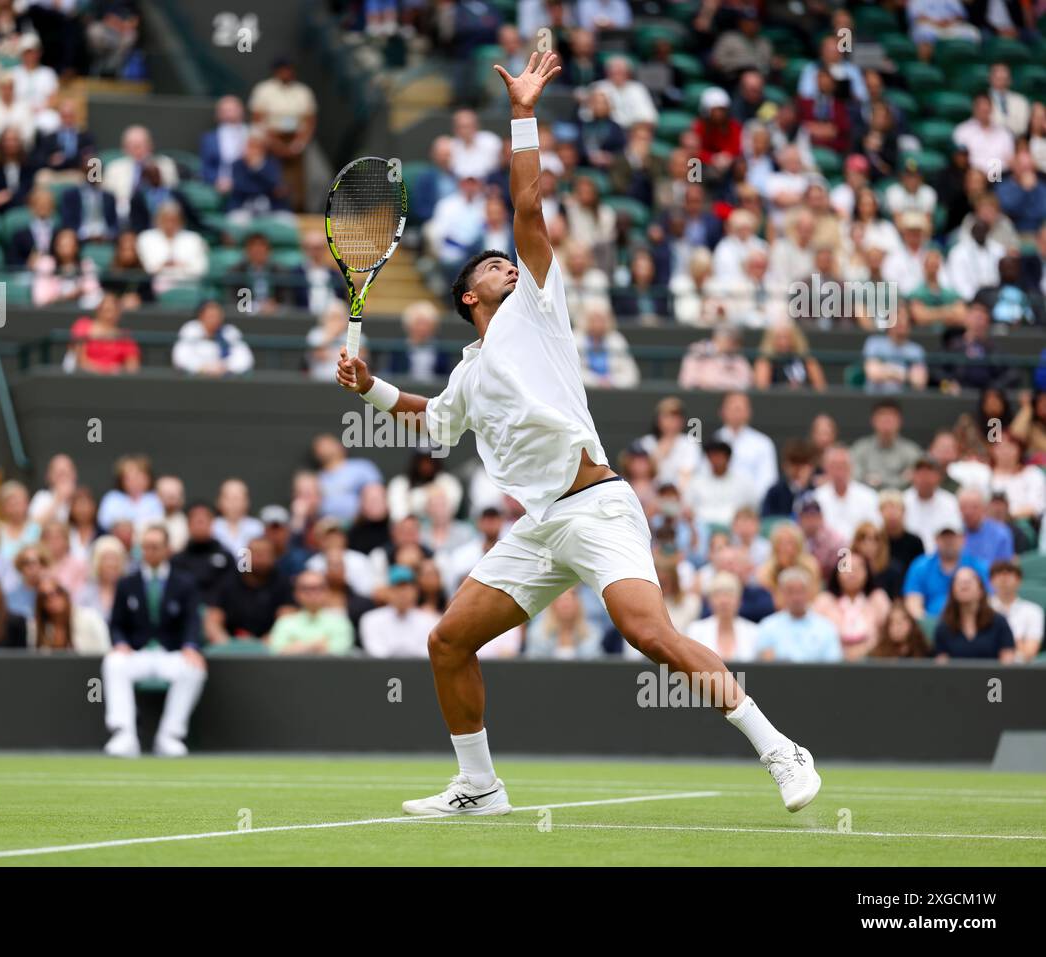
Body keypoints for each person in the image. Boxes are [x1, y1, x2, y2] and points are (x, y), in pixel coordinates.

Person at [333, 53, 820, 817]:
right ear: (468, 295)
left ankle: (780, 747)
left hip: (596, 508)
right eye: (492, 266)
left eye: (508, 261)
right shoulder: (468, 368)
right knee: (448, 640)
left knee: (648, 634)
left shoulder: (537, 305)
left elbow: (527, 207)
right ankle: (480, 786)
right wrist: (375, 389)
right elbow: (433, 421)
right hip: (538, 527)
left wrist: (523, 110)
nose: (507, 263)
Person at [103, 525, 207, 757]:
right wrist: (119, 642)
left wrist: (190, 647)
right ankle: (124, 734)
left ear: (167, 550)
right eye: (145, 547)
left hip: (170, 654)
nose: (149, 552)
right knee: (113, 663)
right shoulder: (126, 583)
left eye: (155, 547)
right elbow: (116, 623)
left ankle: (170, 736)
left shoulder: (185, 583)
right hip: (137, 654)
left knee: (194, 668)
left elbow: (193, 620)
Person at [812, 549, 890, 660]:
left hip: (873, 663)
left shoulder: (878, 599)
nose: (852, 574)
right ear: (837, 572)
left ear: (867, 572)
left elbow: (888, 634)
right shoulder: (824, 601)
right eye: (846, 569)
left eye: (857, 569)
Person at [755, 567, 842, 663]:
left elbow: (833, 666)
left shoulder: (826, 627)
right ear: (782, 594)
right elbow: (763, 667)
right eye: (790, 592)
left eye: (800, 591)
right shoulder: (768, 626)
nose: (796, 597)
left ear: (810, 593)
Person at [932, 567, 1016, 663]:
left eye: (968, 581)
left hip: (992, 677)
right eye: (959, 582)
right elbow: (942, 667)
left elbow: (1007, 663)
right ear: (952, 592)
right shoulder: (944, 626)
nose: (964, 584)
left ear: (981, 590)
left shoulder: (999, 622)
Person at [903, 527, 989, 620]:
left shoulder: (977, 566)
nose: (948, 542)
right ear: (936, 540)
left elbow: (988, 599)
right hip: (931, 625)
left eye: (952, 537)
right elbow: (913, 602)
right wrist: (928, 625)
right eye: (944, 537)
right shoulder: (920, 566)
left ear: (962, 539)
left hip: (971, 623)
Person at [358, 565, 442, 658]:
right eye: (397, 588)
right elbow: (375, 651)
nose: (402, 593)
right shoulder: (370, 619)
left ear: (415, 591)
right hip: (383, 672)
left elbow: (427, 653)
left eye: (406, 588)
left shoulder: (429, 620)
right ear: (388, 591)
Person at [267, 570, 354, 656]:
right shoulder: (284, 622)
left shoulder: (340, 621)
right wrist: (317, 646)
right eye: (305, 588)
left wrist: (296, 646)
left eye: (318, 588)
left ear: (327, 591)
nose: (312, 593)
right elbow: (276, 651)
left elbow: (341, 650)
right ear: (296, 593)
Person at [686, 572, 760, 663]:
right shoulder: (696, 630)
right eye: (718, 595)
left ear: (739, 600)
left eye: (729, 595)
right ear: (709, 601)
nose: (724, 601)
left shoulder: (754, 632)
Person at [989, 560, 1044, 661]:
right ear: (991, 581)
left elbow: (1030, 652)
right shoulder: (982, 609)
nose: (1003, 578)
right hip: (984, 666)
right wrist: (1018, 641)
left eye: (1009, 573)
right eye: (998, 573)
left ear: (1019, 580)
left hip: (1019, 670)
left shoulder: (1033, 611)